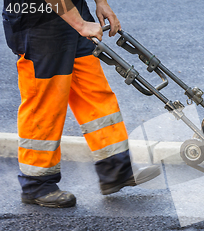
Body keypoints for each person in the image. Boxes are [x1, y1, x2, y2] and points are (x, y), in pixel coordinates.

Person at [2, 0, 160, 208]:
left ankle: (116, 167)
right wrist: (81, 24)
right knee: (45, 102)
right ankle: (37, 184)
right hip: (37, 18)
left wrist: (100, 3)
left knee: (93, 90)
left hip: (70, 10)